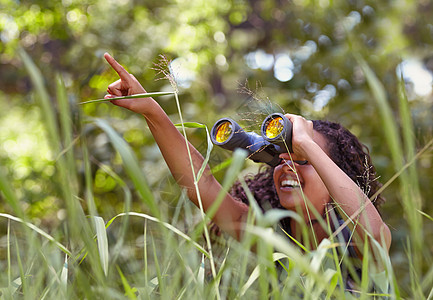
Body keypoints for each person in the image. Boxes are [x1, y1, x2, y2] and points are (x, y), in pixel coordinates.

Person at [102, 52, 391, 286]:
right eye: (281, 159)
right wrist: (151, 109)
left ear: (334, 173)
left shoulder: (357, 242)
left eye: (303, 160)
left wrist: (304, 141)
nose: (287, 167)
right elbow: (202, 187)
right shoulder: (274, 236)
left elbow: (375, 236)